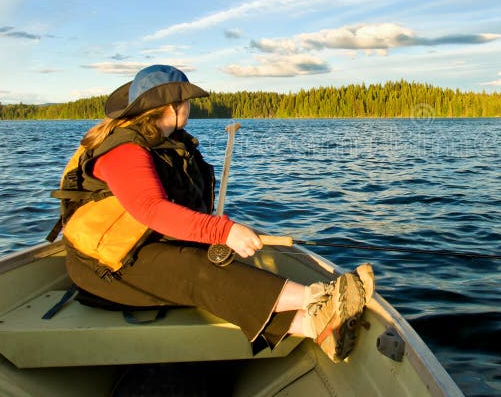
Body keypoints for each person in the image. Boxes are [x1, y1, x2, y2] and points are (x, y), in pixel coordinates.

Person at [49, 64, 374, 361]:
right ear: (173, 106)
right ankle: (320, 299)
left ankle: (314, 327)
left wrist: (218, 234)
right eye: (187, 100)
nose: (190, 106)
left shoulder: (166, 142)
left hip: (138, 250)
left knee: (214, 262)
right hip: (102, 270)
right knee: (197, 269)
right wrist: (224, 231)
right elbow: (150, 210)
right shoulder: (124, 150)